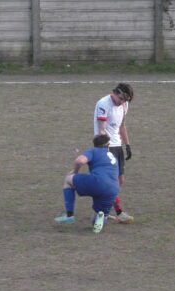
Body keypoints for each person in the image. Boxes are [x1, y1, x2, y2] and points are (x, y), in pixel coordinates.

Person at [54, 134, 119, 234]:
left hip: (97, 182)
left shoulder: (93, 151)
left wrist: (75, 172)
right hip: (113, 189)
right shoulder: (113, 157)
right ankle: (101, 217)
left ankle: (69, 215)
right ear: (108, 146)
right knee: (96, 219)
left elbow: (79, 161)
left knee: (68, 179)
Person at [93, 83, 135, 224]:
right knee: (110, 181)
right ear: (116, 93)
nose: (123, 102)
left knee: (119, 181)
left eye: (126, 100)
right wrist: (105, 149)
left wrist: (127, 145)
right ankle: (119, 212)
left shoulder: (124, 105)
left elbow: (122, 125)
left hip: (117, 146)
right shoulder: (103, 104)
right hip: (105, 146)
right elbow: (102, 130)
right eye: (122, 98)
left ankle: (104, 208)